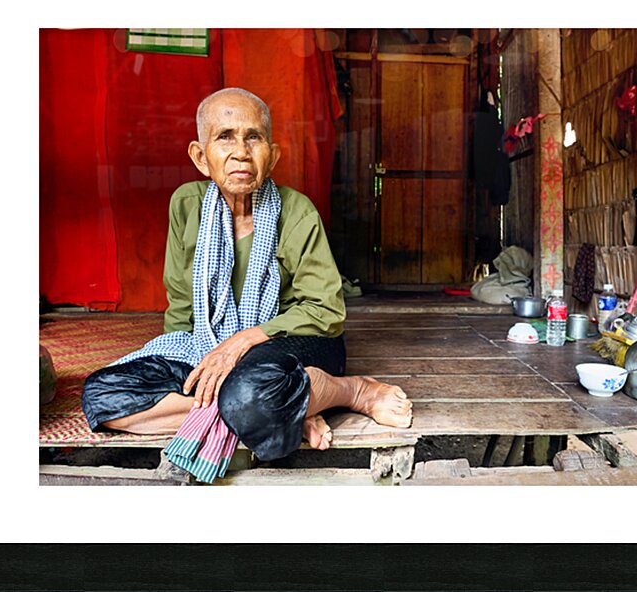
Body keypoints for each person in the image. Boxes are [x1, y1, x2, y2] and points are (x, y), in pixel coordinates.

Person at [81, 88, 412, 461]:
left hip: (295, 342)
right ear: (200, 157)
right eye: (225, 137)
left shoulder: (296, 211)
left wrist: (239, 343)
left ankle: (351, 391)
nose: (241, 151)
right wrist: (190, 362)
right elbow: (182, 305)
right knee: (103, 394)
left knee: (251, 391)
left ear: (272, 155)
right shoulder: (187, 205)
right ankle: (288, 409)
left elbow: (325, 311)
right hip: (210, 345)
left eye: (253, 137)